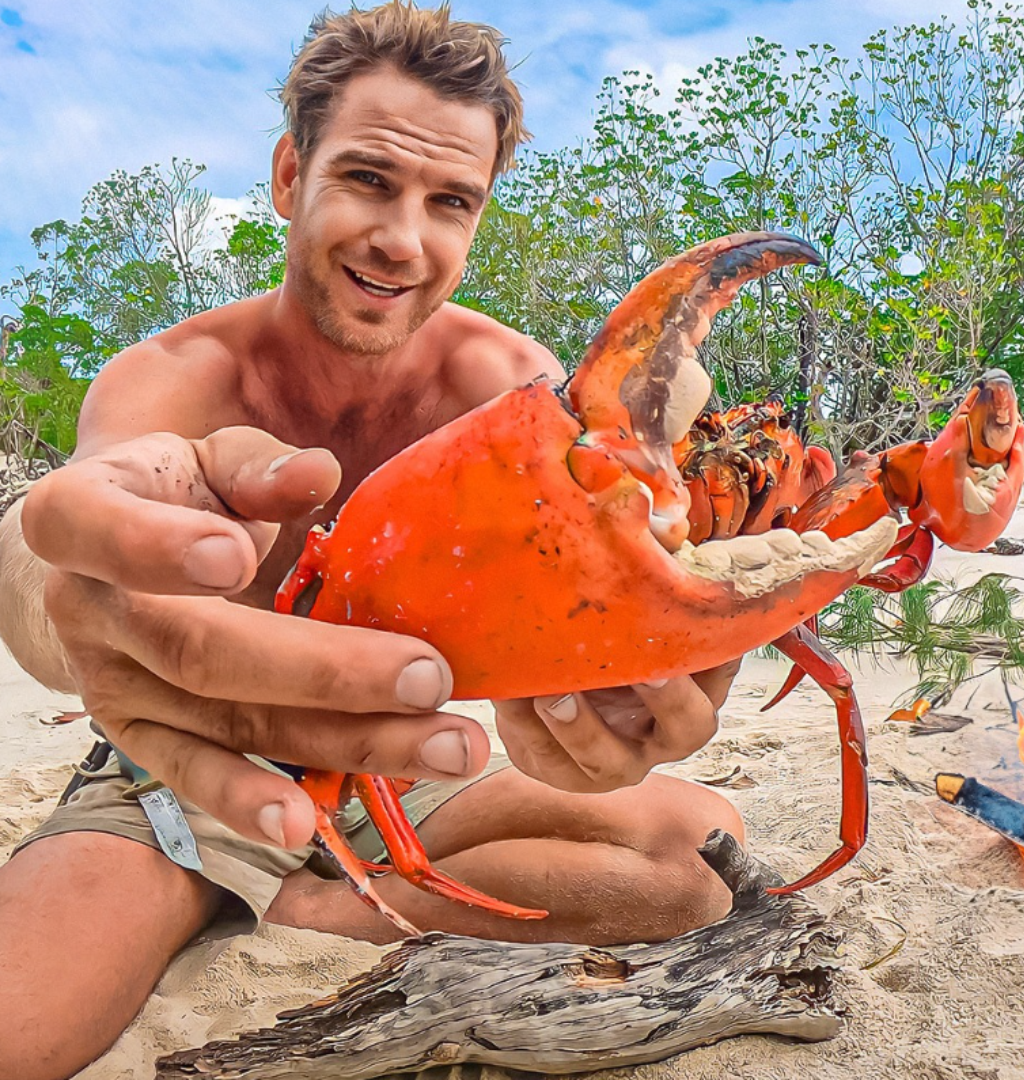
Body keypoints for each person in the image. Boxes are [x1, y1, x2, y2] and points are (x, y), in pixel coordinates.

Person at [0, 5, 744, 1078]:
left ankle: (315, 905)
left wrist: (617, 681)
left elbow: (608, 615)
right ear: (288, 176)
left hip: (399, 762)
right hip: (185, 766)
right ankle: (220, 887)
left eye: (451, 201)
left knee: (691, 861)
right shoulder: (173, 378)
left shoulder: (514, 394)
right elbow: (56, 558)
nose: (405, 238)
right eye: (368, 180)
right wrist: (64, 575)